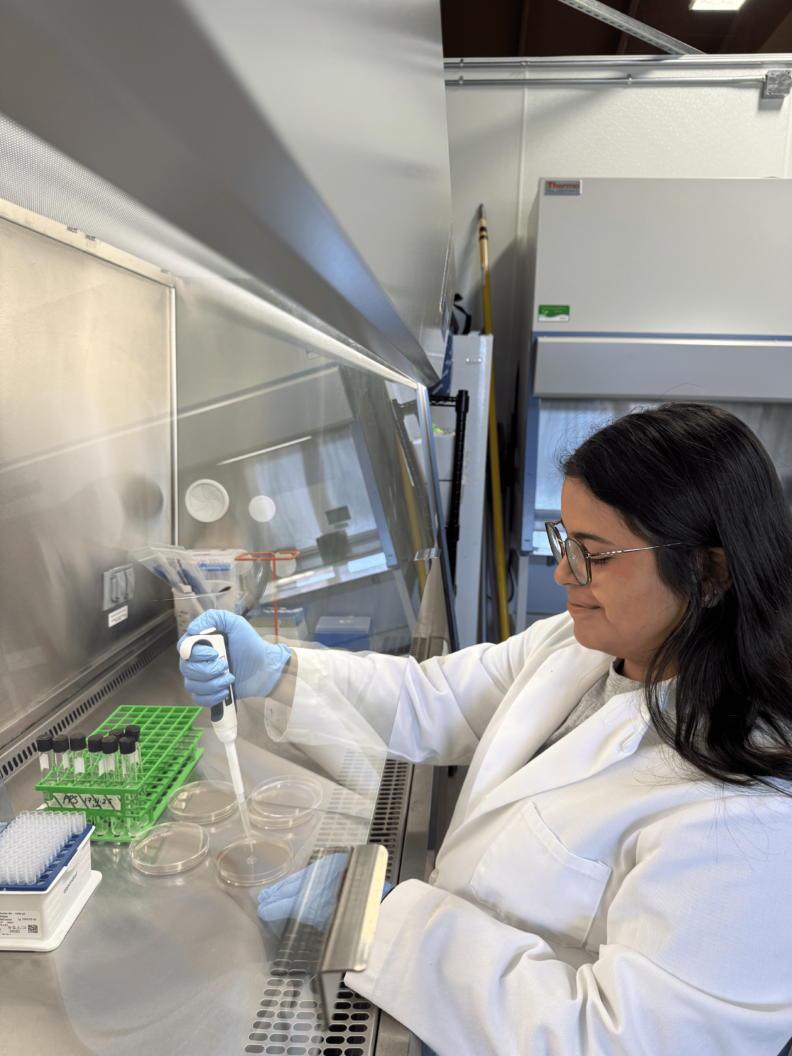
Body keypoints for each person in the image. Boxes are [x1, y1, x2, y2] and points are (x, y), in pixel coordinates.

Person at [179, 403, 792, 1056]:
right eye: (565, 542)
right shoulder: (577, 644)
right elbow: (430, 699)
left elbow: (620, 1041)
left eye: (595, 556)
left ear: (711, 573)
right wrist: (280, 670)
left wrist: (382, 925)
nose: (563, 577)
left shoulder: (749, 807)